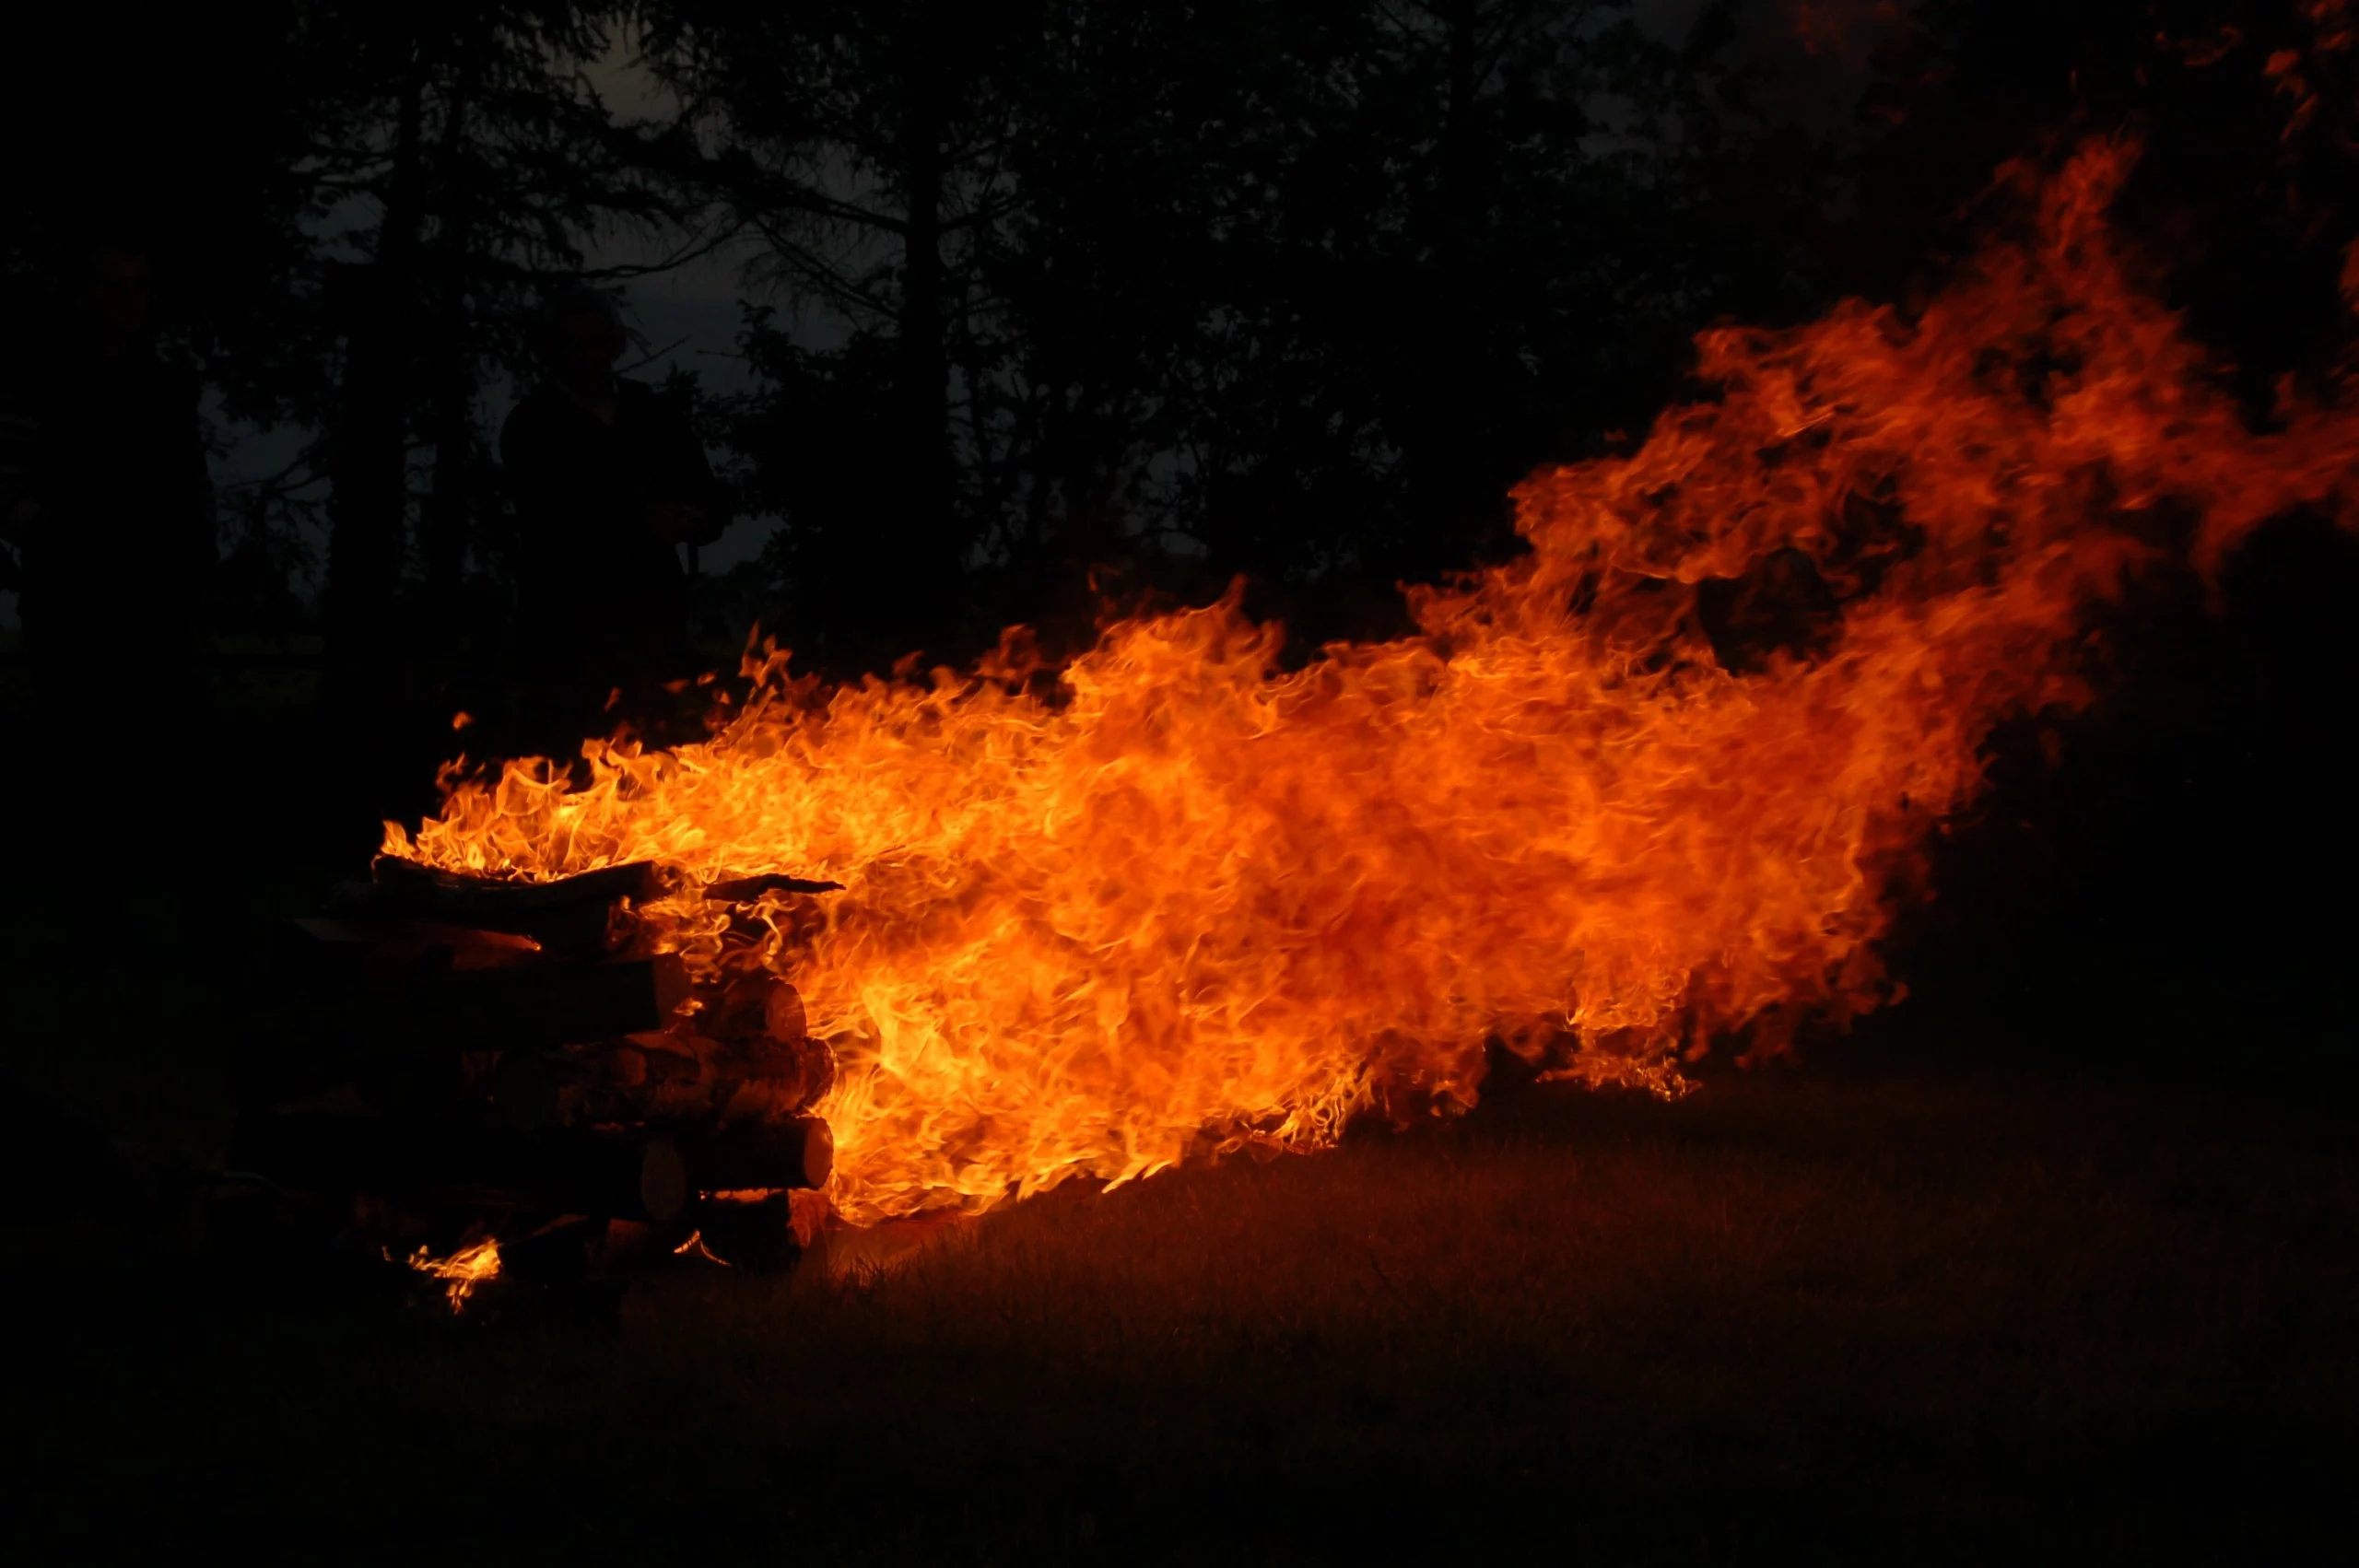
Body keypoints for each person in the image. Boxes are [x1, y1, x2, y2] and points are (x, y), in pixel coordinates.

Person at [0, 232, 226, 961]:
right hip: (77, 609)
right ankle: (100, 940)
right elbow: (4, 485)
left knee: (188, 770)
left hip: (159, 607)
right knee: (86, 772)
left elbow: (191, 487)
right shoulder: (42, 379)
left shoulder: (161, 385)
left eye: (138, 287)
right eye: (113, 285)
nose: (127, 301)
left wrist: (193, 560)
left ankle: (210, 938)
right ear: (83, 293)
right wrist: (61, 546)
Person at [499, 288, 729, 749]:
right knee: (573, 761)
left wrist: (690, 520)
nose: (585, 356)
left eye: (596, 342)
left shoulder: (653, 413)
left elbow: (707, 494)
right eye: (572, 344)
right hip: (569, 628)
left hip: (654, 620)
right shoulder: (532, 423)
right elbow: (547, 514)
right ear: (553, 351)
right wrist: (638, 521)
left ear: (616, 346)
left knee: (660, 755)